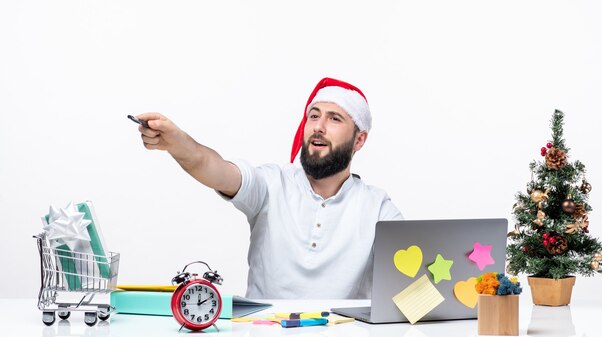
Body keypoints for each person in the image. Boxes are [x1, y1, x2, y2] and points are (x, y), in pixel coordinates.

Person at [135, 77, 403, 299]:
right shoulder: (272, 184)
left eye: (334, 119)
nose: (318, 127)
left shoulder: (377, 208)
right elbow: (213, 167)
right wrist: (178, 143)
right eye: (313, 116)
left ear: (360, 139)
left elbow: (414, 280)